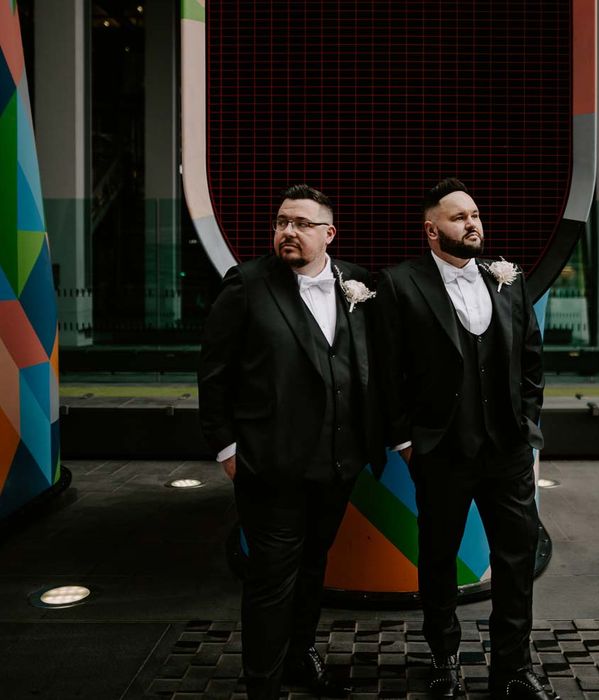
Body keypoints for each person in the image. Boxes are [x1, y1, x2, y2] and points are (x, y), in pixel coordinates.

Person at [375, 179, 558, 700]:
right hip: (441, 452)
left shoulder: (510, 279)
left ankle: (512, 670)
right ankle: (444, 660)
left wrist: (528, 429)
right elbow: (389, 374)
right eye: (459, 217)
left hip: (508, 452)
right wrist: (407, 442)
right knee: (437, 560)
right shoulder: (400, 284)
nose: (472, 223)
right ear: (432, 230)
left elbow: (531, 362)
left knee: (516, 559)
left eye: (475, 214)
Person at [198, 184, 384, 700]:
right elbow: (215, 373)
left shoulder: (360, 284)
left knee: (312, 568)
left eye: (301, 223)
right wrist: (228, 450)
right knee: (271, 580)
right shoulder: (247, 284)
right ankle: (263, 685)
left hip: (338, 465)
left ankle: (300, 658)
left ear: (329, 233)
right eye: (282, 222)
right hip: (269, 467)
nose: (288, 232)